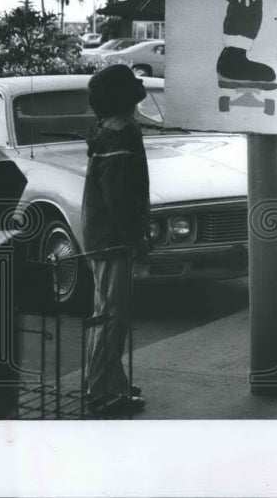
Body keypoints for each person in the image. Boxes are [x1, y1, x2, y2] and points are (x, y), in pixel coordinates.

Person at [81, 64, 151, 415]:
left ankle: (112, 382)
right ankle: (100, 391)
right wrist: (136, 239)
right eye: (133, 82)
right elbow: (120, 199)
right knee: (111, 316)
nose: (141, 83)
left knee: (109, 313)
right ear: (125, 97)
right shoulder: (120, 135)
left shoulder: (112, 130)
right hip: (112, 239)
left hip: (103, 237)